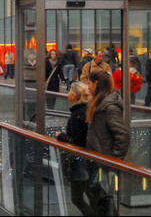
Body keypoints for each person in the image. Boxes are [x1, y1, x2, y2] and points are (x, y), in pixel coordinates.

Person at [56, 81, 91, 215]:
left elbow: (76, 140)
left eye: (70, 91)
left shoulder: (77, 116)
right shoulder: (85, 110)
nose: (68, 94)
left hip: (79, 161)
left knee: (77, 197)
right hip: (87, 160)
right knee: (88, 191)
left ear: (75, 96)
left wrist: (62, 136)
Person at [86, 69, 130, 159]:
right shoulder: (98, 103)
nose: (88, 87)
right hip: (96, 159)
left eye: (89, 83)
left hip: (104, 162)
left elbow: (123, 136)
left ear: (96, 84)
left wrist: (112, 161)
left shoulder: (110, 108)